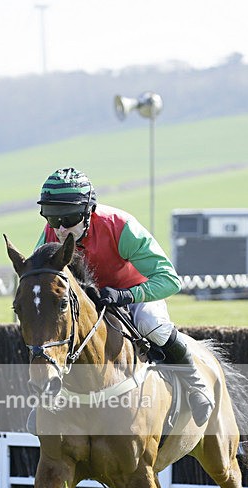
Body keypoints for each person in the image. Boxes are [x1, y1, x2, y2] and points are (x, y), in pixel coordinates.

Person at [34, 167, 213, 427]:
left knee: (152, 324)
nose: (60, 229)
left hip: (134, 292)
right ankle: (46, 401)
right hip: (87, 301)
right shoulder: (51, 233)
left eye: (69, 218)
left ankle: (196, 385)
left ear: (88, 211)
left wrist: (126, 295)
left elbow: (170, 280)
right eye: (52, 218)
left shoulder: (120, 226)